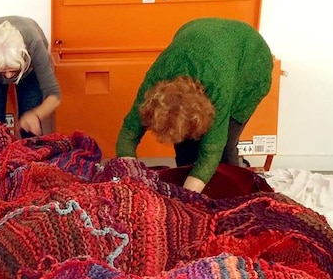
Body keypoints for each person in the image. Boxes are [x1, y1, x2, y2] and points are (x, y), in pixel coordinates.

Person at [115, 18, 273, 194]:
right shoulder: (153, 85)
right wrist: (130, 179)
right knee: (186, 151)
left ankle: (234, 192)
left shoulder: (218, 90)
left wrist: (186, 199)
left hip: (250, 61)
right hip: (201, 37)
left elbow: (212, 150)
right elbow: (128, 134)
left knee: (224, 150)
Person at [0, 16, 61, 138]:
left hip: (29, 70)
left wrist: (36, 114)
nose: (8, 76)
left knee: (29, 124)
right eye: (3, 71)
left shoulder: (35, 44)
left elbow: (54, 94)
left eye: (13, 70)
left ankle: (30, 153)